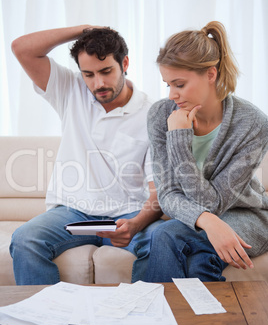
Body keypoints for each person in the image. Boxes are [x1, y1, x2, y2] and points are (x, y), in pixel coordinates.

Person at [10, 25, 163, 285]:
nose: (98, 83)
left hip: (127, 214)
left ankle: (141, 314)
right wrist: (85, 30)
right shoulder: (71, 91)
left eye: (106, 71)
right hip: (73, 214)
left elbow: (157, 191)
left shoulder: (152, 115)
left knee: (163, 242)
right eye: (88, 74)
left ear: (124, 63)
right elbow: (22, 49)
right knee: (25, 239)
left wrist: (136, 224)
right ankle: (48, 318)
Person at [145, 21, 268, 282]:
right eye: (167, 84)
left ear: (210, 74)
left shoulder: (253, 123)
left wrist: (178, 140)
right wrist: (209, 222)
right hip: (195, 219)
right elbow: (167, 194)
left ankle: (151, 314)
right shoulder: (160, 115)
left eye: (179, 84)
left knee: (168, 237)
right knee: (174, 241)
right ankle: (203, 322)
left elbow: (213, 202)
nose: (171, 95)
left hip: (245, 215)